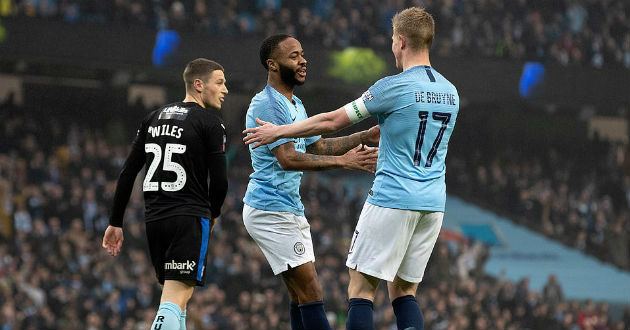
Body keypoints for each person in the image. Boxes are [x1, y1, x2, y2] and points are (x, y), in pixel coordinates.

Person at [243, 8, 459, 330]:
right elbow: (314, 145)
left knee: (360, 288)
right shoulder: (450, 92)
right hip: (432, 203)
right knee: (404, 291)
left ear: (400, 40)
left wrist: (279, 132)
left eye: (391, 40)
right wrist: (360, 139)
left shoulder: (392, 86)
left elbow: (331, 121)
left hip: (392, 197)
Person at [242, 34, 380, 330]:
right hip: (271, 209)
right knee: (312, 291)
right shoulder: (267, 104)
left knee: (299, 295)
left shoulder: (295, 104)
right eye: (293, 56)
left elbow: (316, 147)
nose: (303, 60)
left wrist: (361, 137)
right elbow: (288, 158)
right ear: (273, 65)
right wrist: (345, 162)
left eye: (302, 54)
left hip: (287, 208)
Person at [102, 58, 229, 330]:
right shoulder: (210, 122)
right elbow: (219, 181)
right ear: (198, 84)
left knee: (178, 303)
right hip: (189, 217)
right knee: (173, 300)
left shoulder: (152, 118)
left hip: (155, 221)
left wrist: (115, 222)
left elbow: (127, 173)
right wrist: (214, 213)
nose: (225, 89)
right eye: (219, 82)